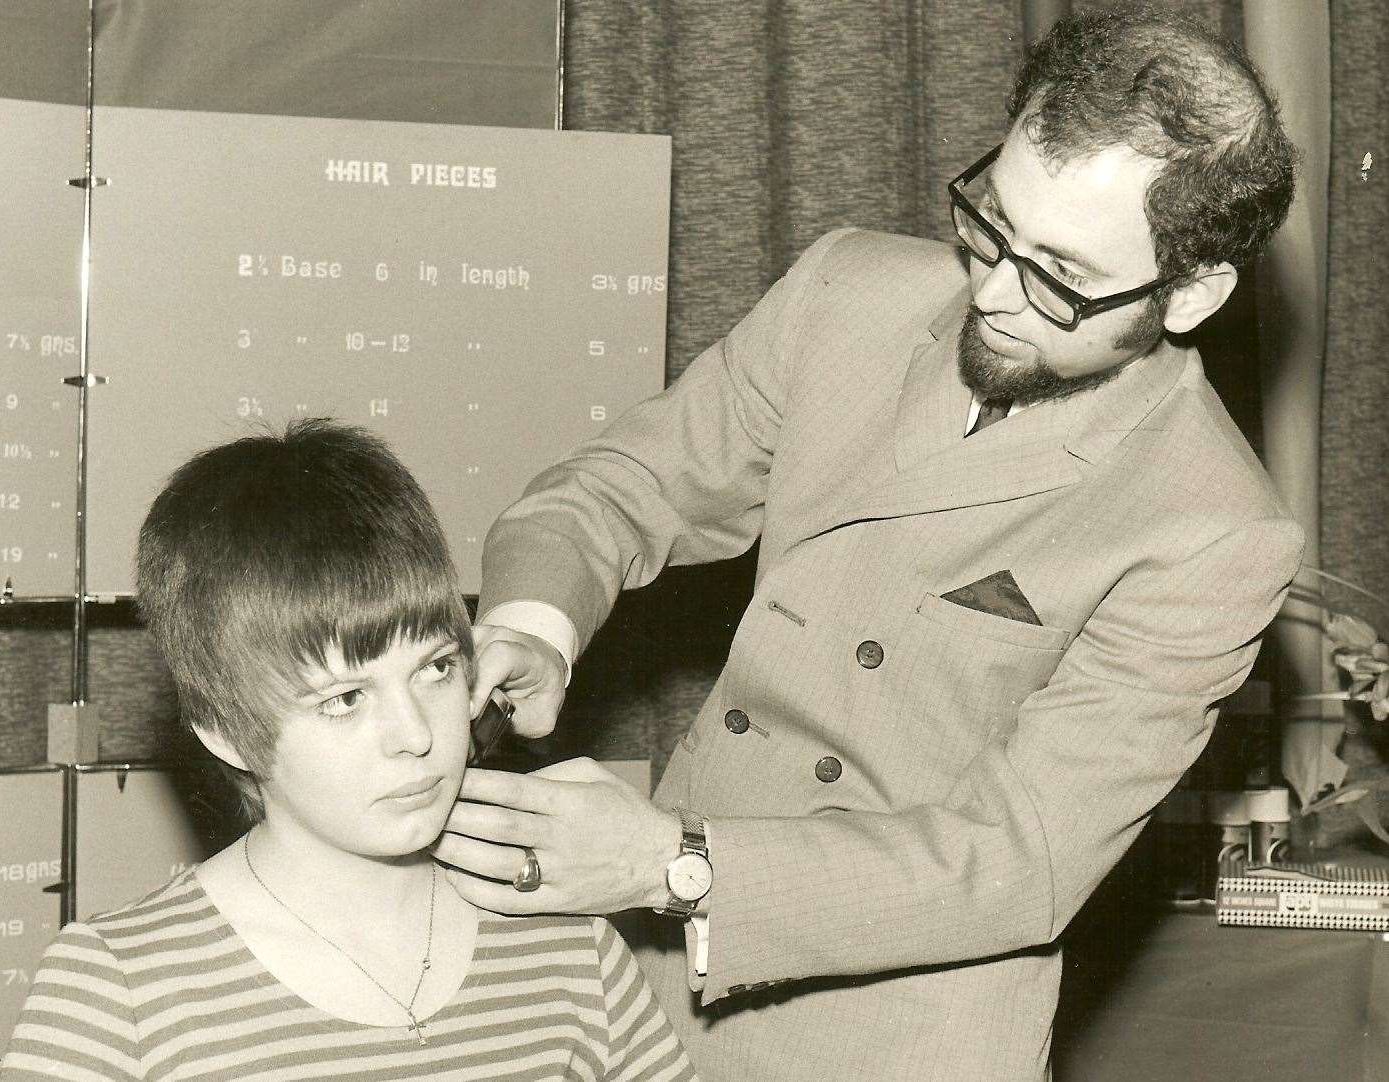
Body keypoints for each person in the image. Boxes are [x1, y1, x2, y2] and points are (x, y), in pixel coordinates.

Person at [431, 7, 1304, 1081]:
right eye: (992, 222)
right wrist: (535, 622)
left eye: (1060, 274)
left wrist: (675, 863)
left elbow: (1018, 857)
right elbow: (628, 483)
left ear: (1190, 293)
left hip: (896, 1034)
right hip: (649, 985)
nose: (988, 291)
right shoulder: (847, 293)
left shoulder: (1213, 528)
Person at [0, 420, 697, 1080]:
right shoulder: (117, 988)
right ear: (225, 729)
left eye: (437, 668)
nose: (417, 736)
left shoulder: (570, 944)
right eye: (343, 699)